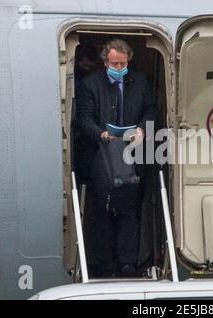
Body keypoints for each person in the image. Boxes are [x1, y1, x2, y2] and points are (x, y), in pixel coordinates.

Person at [76, 39, 157, 277]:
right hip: (101, 157)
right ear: (105, 62)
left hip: (133, 154)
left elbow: (152, 110)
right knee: (102, 212)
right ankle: (106, 264)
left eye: (123, 63)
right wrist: (101, 134)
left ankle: (128, 264)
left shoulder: (140, 82)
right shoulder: (91, 84)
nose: (119, 67)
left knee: (130, 212)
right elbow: (83, 119)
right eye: (114, 63)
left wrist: (142, 129)